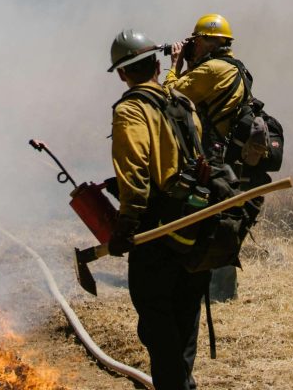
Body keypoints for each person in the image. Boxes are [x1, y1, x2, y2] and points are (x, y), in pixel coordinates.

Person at [107, 29, 212, 390]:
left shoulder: (131, 109)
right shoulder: (184, 104)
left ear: (122, 73)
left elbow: (136, 170)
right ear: (155, 63)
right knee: (185, 320)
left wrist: (126, 224)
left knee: (157, 324)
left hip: (157, 234)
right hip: (194, 227)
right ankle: (184, 383)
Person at [163, 13, 256, 301]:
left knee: (207, 218)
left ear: (206, 41)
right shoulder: (232, 67)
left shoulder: (211, 70)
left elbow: (169, 95)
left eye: (194, 41)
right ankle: (221, 288)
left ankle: (211, 287)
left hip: (214, 156)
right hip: (227, 156)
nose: (191, 46)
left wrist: (174, 66)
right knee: (221, 215)